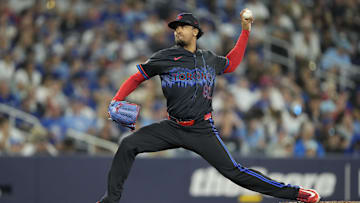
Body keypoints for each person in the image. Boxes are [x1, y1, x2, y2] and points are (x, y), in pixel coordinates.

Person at [97, 10, 320, 203]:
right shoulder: (165, 57)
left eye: (182, 27)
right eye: (175, 28)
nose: (177, 31)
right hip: (172, 127)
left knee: (235, 172)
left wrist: (245, 32)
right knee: (128, 145)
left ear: (195, 31)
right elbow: (136, 78)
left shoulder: (208, 58)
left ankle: (297, 194)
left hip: (201, 129)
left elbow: (231, 63)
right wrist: (117, 99)